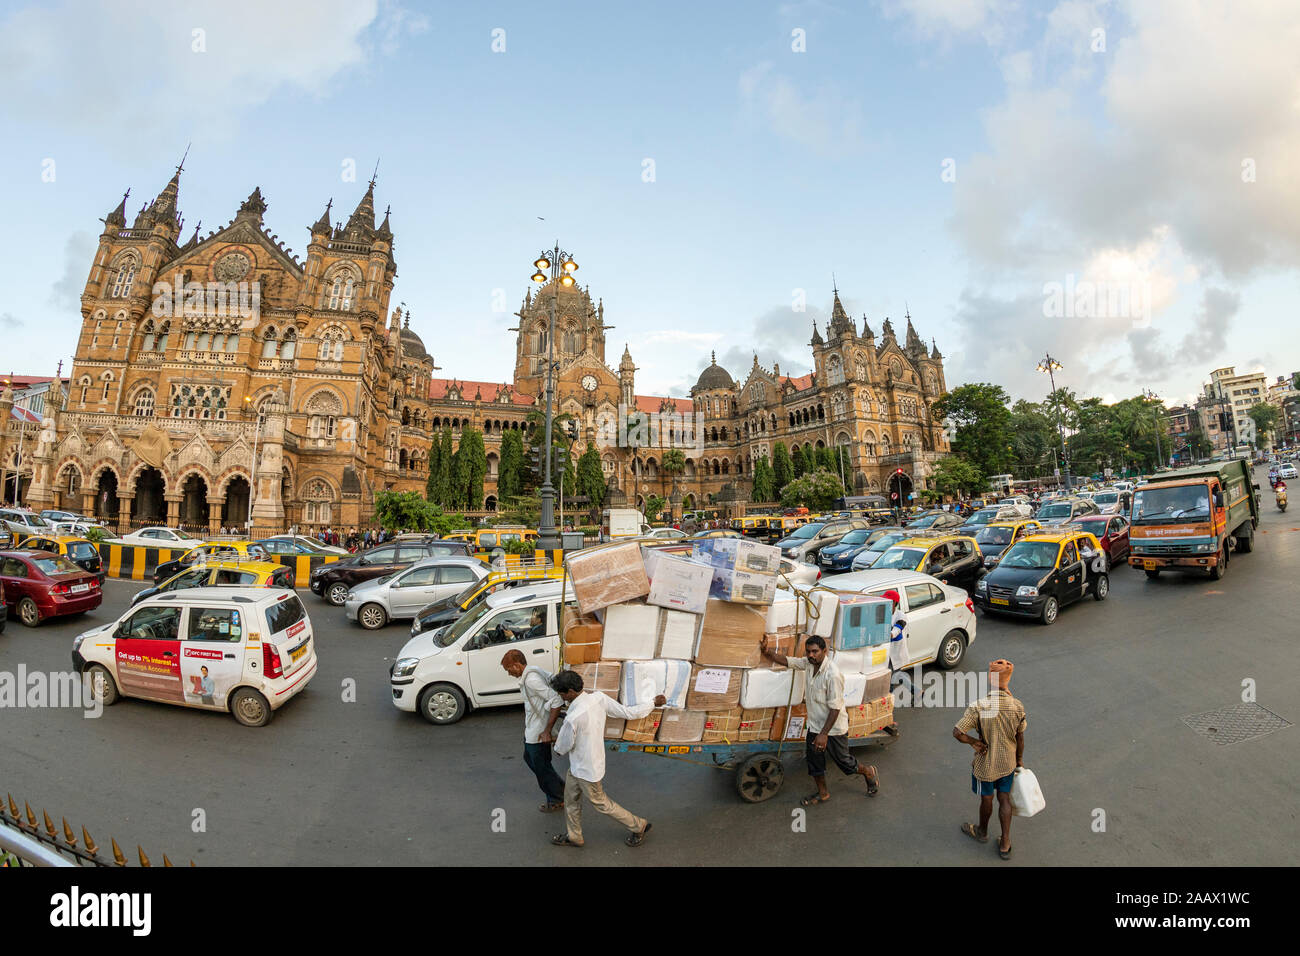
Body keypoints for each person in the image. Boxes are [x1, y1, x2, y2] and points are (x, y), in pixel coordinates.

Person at [759, 634, 880, 806]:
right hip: (815, 726)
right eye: (808, 652)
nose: (811, 655)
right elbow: (789, 661)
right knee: (814, 762)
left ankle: (868, 771)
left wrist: (824, 734)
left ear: (824, 651)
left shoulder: (833, 675)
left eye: (815, 652)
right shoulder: (809, 664)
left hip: (834, 729)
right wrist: (767, 652)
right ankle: (823, 793)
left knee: (845, 763)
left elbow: (836, 707)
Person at [550, 670, 665, 848]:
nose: (561, 696)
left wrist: (552, 742)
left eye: (562, 693)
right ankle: (574, 836)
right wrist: (652, 703)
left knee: (602, 803)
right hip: (581, 766)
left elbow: (561, 749)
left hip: (586, 771)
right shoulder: (599, 699)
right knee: (571, 800)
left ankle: (638, 825)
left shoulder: (573, 718)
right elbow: (628, 713)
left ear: (571, 691)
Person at [953, 659, 1026, 860]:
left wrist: (974, 742)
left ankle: (982, 831)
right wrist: (1018, 760)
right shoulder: (1017, 706)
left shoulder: (978, 707)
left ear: (990, 678)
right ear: (1009, 679)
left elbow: (958, 732)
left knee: (987, 798)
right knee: (1004, 798)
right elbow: (1020, 736)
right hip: (1008, 763)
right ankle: (1005, 842)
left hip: (986, 765)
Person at [500, 649, 565, 812]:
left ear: (516, 665)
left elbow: (556, 701)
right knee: (533, 760)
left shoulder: (532, 680)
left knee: (541, 767)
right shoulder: (534, 670)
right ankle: (559, 788)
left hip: (538, 733)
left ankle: (556, 799)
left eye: (509, 670)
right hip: (532, 729)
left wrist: (547, 731)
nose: (509, 674)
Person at [879, 589, 911, 670]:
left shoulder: (901, 616)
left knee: (894, 675)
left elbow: (897, 629)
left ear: (894, 603)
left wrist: (890, 634)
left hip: (896, 651)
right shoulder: (882, 614)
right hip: (884, 651)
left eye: (888, 601)